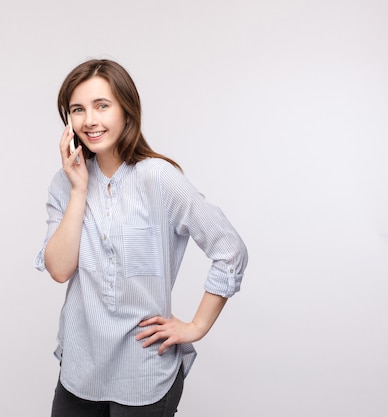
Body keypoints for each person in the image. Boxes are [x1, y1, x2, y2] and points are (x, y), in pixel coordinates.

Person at [34, 59, 248, 417]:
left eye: (102, 105)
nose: (90, 120)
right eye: (78, 109)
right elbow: (59, 269)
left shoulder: (159, 179)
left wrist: (196, 326)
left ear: (126, 110)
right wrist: (78, 191)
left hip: (144, 373)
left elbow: (230, 249)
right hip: (80, 371)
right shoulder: (65, 182)